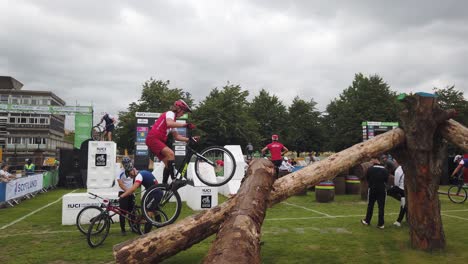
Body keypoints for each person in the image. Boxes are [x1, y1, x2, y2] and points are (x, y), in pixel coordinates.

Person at [145, 99, 197, 185]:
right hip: (153, 138)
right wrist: (185, 125)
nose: (183, 114)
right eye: (183, 111)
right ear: (178, 108)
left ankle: (164, 185)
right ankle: (174, 180)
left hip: (155, 140)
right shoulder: (170, 113)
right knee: (171, 154)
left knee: (168, 164)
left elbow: (177, 137)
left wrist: (190, 139)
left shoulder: (174, 121)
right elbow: (169, 123)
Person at [119, 157, 162, 233]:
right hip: (155, 192)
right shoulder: (143, 172)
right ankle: (161, 227)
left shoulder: (139, 176)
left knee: (148, 214)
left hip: (155, 194)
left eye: (130, 176)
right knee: (154, 211)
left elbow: (133, 189)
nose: (131, 177)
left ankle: (146, 234)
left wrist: (122, 196)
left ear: (132, 171)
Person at [361, 156, 389, 229]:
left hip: (372, 189)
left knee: (370, 205)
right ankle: (381, 224)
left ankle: (367, 220)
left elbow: (367, 178)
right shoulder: (385, 170)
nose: (371, 161)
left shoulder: (370, 169)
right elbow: (386, 180)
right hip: (382, 190)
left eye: (372, 159)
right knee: (381, 207)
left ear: (376, 160)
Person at [116, 157, 135, 235]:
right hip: (123, 193)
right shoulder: (120, 172)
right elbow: (120, 184)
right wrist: (128, 191)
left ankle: (133, 227)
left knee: (132, 212)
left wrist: (131, 191)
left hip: (131, 194)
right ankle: (123, 230)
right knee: (123, 212)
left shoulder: (132, 170)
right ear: (123, 164)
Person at [391, 159, 407, 227]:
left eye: (394, 161)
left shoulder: (398, 170)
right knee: (404, 204)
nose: (393, 163)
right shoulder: (408, 167)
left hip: (401, 189)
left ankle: (398, 221)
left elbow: (396, 183)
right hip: (407, 189)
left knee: (403, 204)